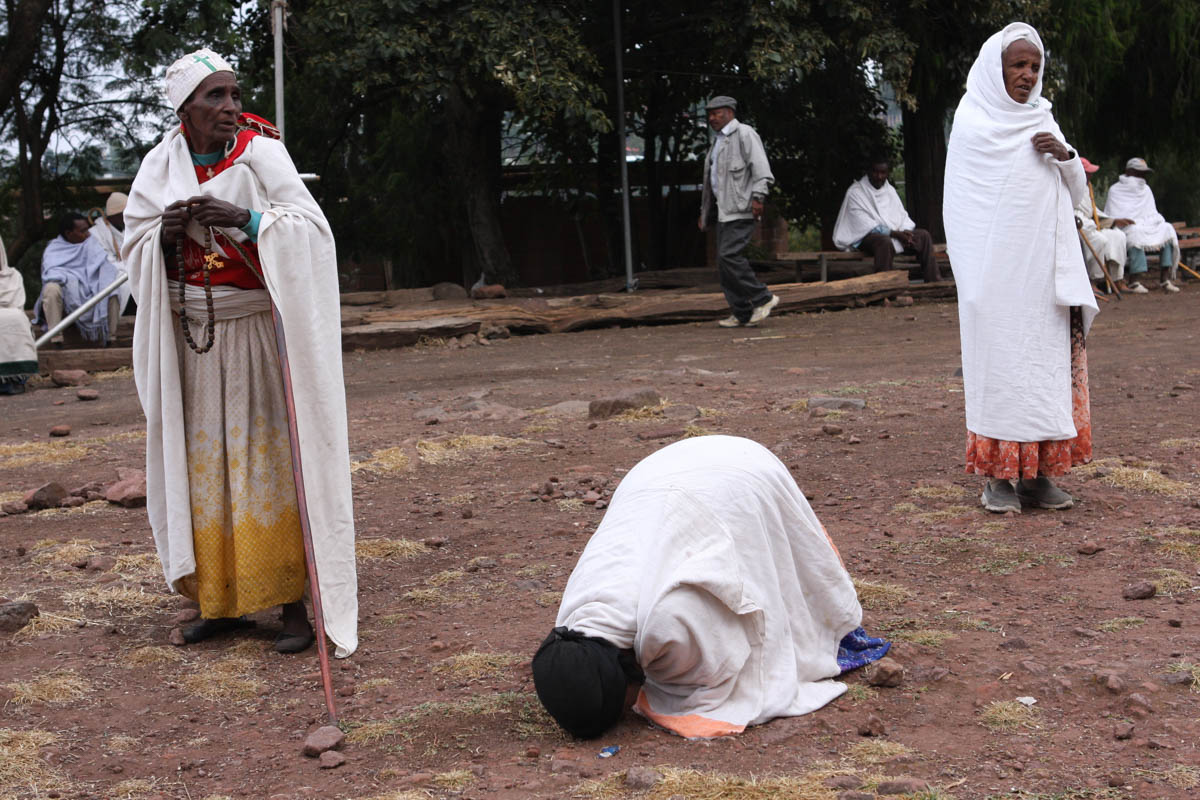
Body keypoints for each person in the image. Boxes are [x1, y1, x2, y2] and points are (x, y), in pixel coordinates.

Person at [122, 48, 357, 657]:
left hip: (254, 331)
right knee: (203, 468)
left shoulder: (262, 152)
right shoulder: (159, 164)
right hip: (190, 340)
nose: (231, 107)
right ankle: (219, 602)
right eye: (215, 96)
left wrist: (249, 219)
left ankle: (292, 605)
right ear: (185, 108)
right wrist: (161, 236)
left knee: (268, 462)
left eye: (234, 94)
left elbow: (312, 232)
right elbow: (134, 244)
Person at [532, 436, 890, 739]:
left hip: (741, 476)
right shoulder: (574, 621)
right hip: (660, 470)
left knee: (761, 560)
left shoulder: (669, 617)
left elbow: (733, 659)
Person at [943, 23, 1098, 514]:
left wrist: (1065, 156)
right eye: (1018, 65)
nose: (1028, 75)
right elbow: (962, 207)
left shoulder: (1043, 117)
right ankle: (998, 478)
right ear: (997, 67)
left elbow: (1078, 192)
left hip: (1044, 279)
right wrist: (974, 282)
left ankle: (1039, 475)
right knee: (1001, 370)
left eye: (1034, 66)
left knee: (1043, 372)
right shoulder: (972, 121)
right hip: (993, 277)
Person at [698, 96, 779, 328]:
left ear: (730, 113)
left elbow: (761, 168)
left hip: (742, 208)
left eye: (717, 113)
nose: (712, 118)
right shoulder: (718, 141)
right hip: (724, 210)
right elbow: (712, 182)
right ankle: (742, 311)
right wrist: (704, 212)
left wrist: (758, 197)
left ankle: (763, 298)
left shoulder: (744, 133)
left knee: (729, 256)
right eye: (710, 114)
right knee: (723, 263)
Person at [832, 158, 944, 283]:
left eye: (883, 173)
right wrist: (896, 234)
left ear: (887, 173)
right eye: (875, 172)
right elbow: (865, 225)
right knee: (884, 242)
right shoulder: (856, 192)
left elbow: (901, 215)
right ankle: (885, 286)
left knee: (923, 236)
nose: (879, 176)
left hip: (896, 234)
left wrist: (905, 231)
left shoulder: (889, 190)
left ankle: (934, 282)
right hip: (865, 237)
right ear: (868, 172)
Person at [33, 213, 119, 346]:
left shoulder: (92, 243)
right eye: (83, 231)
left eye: (88, 229)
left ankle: (110, 338)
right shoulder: (53, 249)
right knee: (51, 288)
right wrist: (72, 281)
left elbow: (104, 266)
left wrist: (99, 280)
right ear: (69, 233)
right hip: (66, 298)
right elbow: (51, 274)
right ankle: (56, 338)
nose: (88, 234)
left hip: (91, 290)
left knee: (112, 290)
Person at [1103, 157, 1181, 293]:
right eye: (1139, 173)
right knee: (1136, 233)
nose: (1141, 176)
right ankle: (1134, 280)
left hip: (1147, 225)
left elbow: (1151, 212)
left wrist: (1154, 220)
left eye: (1143, 173)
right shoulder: (1115, 190)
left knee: (1167, 228)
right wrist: (1125, 220)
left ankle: (1165, 278)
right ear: (1129, 172)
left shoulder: (1146, 189)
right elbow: (1113, 215)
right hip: (1127, 227)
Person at [1075, 157, 1135, 293]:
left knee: (1118, 236)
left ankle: (1117, 279)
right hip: (1079, 223)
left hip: (1090, 222)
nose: (1090, 176)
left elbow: (1093, 210)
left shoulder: (1087, 187)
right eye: (1087, 173)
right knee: (1099, 240)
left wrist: (1112, 221)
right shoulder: (1069, 186)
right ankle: (1093, 280)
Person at [0, 234, 38, 395]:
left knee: (17, 319)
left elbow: (17, 306)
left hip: (10, 318)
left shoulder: (13, 276)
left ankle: (13, 379)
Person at [90, 192, 134, 314]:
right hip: (109, 274)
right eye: (124, 214)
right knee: (126, 285)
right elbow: (105, 262)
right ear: (115, 215)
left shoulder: (127, 230)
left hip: (127, 270)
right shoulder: (96, 233)